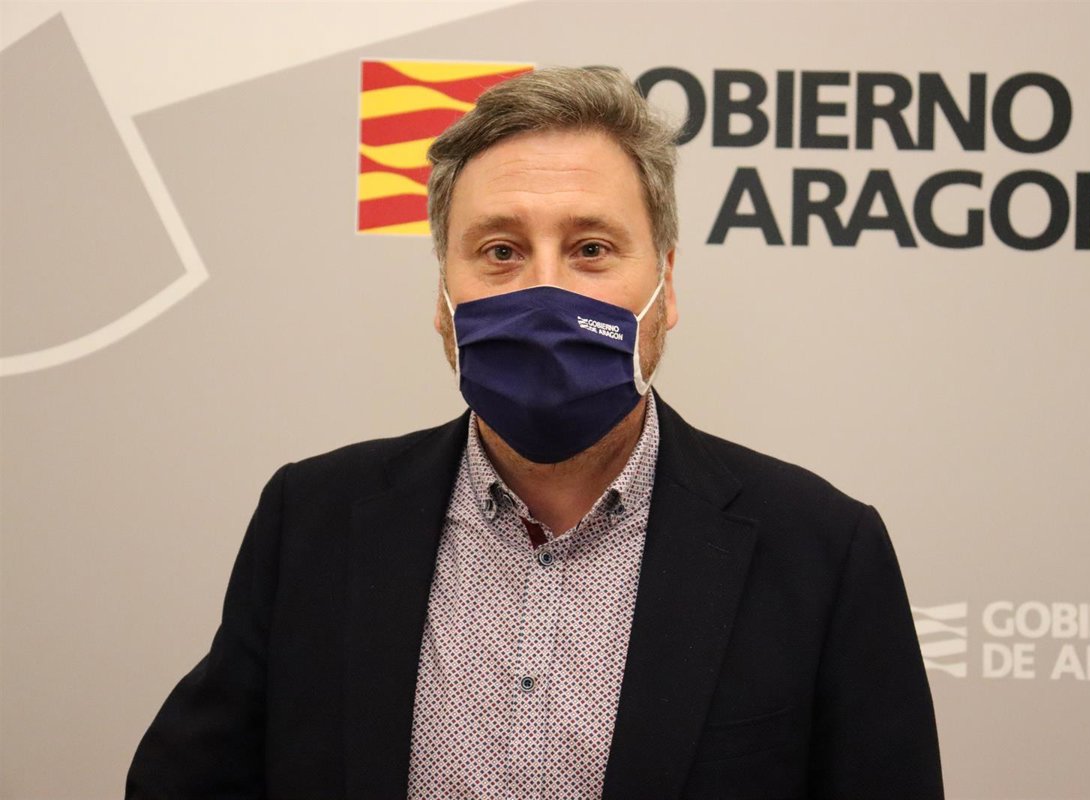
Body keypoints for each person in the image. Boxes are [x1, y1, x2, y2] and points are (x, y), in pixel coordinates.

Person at [127, 66, 943, 800]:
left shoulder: (821, 551)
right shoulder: (313, 519)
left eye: (591, 249)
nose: (544, 293)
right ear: (442, 294)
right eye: (500, 251)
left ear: (666, 284)